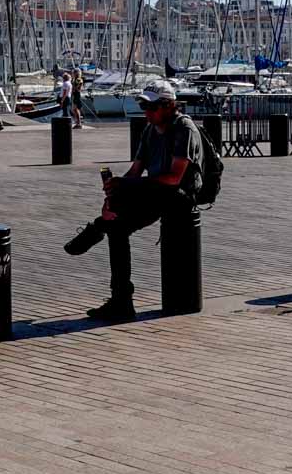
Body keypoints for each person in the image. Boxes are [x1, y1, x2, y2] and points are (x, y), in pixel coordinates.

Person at [64, 78, 208, 322]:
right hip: (157, 191)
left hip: (181, 195)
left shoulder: (184, 128)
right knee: (117, 225)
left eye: (151, 107)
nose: (147, 112)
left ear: (168, 106)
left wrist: (127, 186)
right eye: (144, 107)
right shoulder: (150, 130)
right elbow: (135, 172)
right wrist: (113, 196)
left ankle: (97, 228)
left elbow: (174, 178)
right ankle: (121, 299)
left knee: (118, 217)